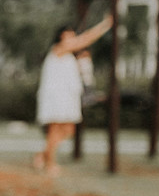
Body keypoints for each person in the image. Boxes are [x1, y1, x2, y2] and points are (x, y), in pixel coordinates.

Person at [34, 15, 113, 176]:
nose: (73, 38)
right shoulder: (59, 48)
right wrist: (104, 25)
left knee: (68, 130)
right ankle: (50, 163)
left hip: (66, 97)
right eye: (70, 35)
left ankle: (42, 155)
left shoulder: (67, 53)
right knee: (55, 130)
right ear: (62, 36)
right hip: (56, 97)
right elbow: (86, 39)